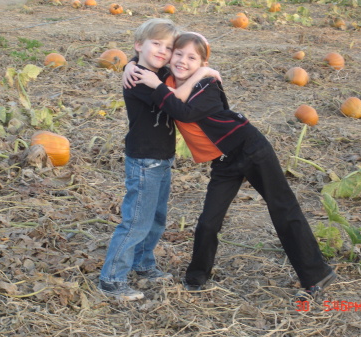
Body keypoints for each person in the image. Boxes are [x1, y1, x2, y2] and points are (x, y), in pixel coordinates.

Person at [131, 32, 337, 299]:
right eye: (178, 54)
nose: (182, 61)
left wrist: (204, 74)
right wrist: (128, 65)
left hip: (251, 149)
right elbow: (145, 58)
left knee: (283, 208)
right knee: (208, 222)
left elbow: (182, 112)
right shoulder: (166, 79)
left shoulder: (208, 86)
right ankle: (196, 277)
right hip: (224, 162)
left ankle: (316, 273)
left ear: (203, 63)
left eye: (192, 58)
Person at [99, 19, 221, 302]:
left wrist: (129, 61)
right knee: (136, 222)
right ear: (139, 44)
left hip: (162, 158)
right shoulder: (141, 78)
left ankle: (143, 265)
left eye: (168, 48)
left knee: (156, 219)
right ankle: (111, 280)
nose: (163, 52)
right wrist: (203, 72)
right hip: (144, 159)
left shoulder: (156, 72)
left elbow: (175, 71)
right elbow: (176, 100)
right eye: (157, 44)